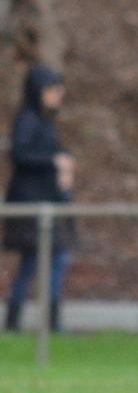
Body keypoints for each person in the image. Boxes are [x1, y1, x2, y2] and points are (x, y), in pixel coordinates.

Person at [3, 65, 75, 333]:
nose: (59, 95)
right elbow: (20, 155)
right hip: (30, 208)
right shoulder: (27, 119)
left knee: (49, 260)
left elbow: (51, 151)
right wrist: (54, 162)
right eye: (53, 89)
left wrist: (64, 162)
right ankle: (26, 322)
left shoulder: (43, 122)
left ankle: (40, 321)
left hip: (45, 205)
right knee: (40, 261)